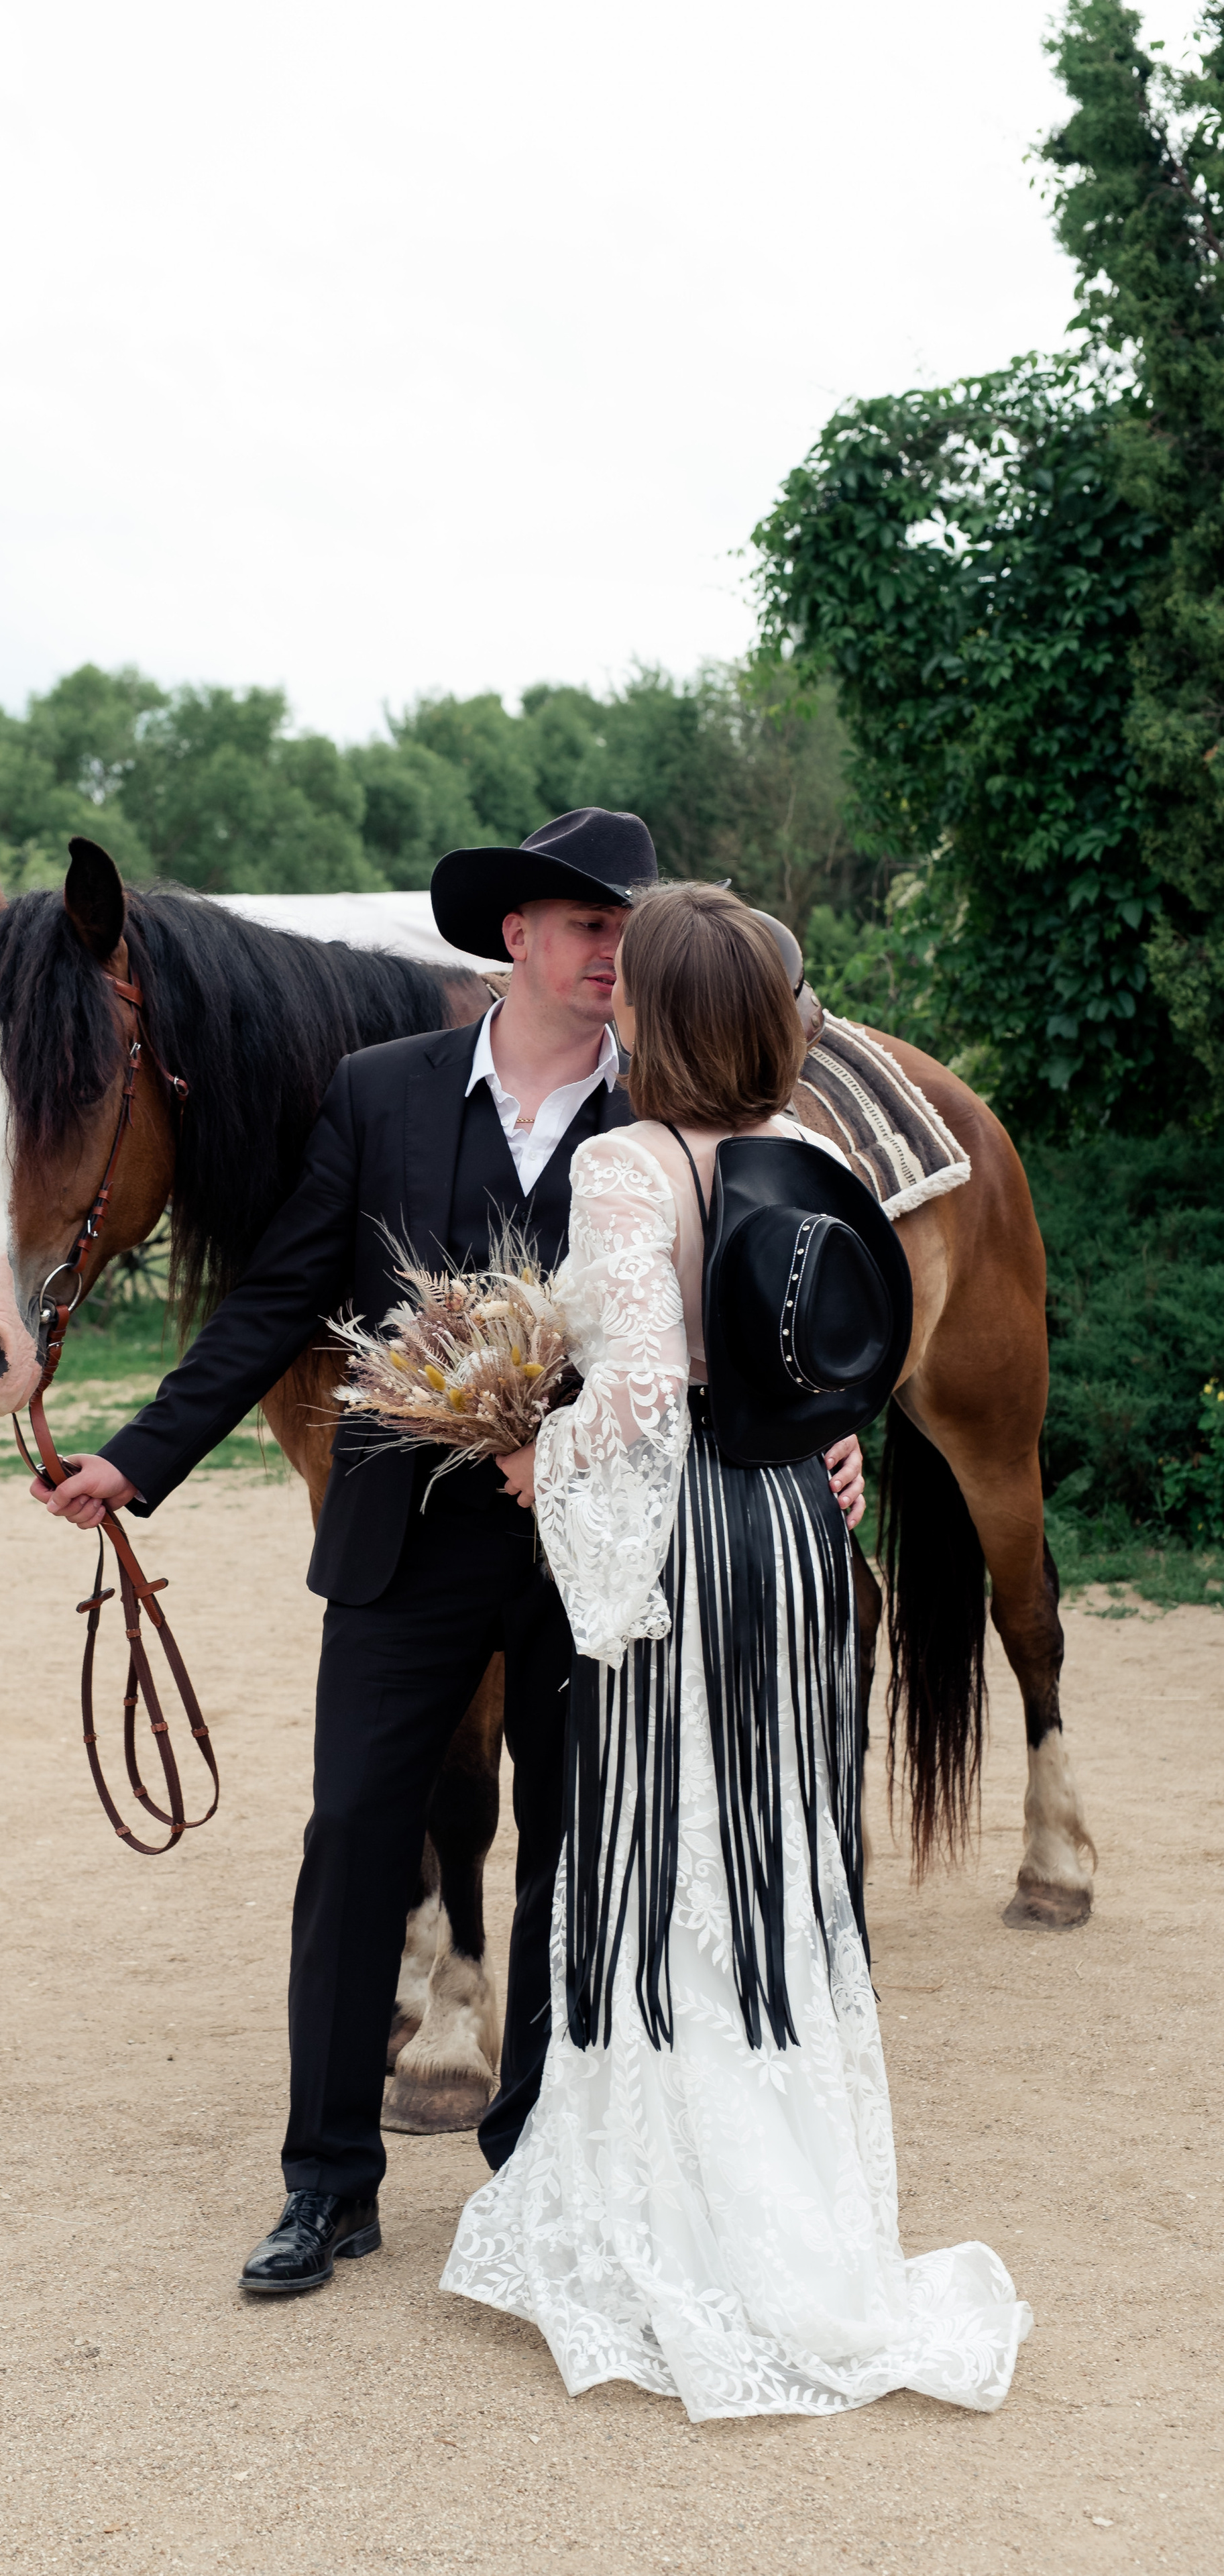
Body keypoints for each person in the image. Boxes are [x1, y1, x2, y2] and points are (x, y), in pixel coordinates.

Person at [32, 812, 866, 2299]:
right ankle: (325, 2185)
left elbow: (757, 1319)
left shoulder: (673, 1117)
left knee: (571, 1852)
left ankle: (533, 2163)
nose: (614, 951)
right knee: (353, 1838)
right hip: (399, 1550)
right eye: (584, 927)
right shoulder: (378, 1094)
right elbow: (278, 1292)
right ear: (514, 943)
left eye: (628, 930)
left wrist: (816, 1433)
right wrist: (138, 1458)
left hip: (605, 1558)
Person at [441, 881, 1032, 2417]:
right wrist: (830, 1453)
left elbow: (635, 1396)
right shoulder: (821, 1152)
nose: (610, 1007)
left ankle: (678, 2210)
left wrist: (537, 1464)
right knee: (769, 1833)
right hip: (790, 1532)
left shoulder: (627, 1169)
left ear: (662, 1016)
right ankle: (797, 2195)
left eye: (632, 992)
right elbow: (837, 1354)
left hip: (693, 1536)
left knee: (662, 1830)